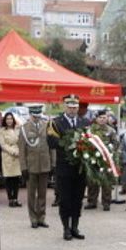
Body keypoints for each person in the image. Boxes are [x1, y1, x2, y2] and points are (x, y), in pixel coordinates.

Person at [47, 95, 91, 240]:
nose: (72, 110)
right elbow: (51, 142)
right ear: (65, 107)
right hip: (64, 168)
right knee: (65, 200)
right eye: (70, 107)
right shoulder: (56, 123)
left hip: (80, 168)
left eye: (75, 107)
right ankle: (66, 228)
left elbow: (90, 142)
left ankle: (75, 227)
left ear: (78, 108)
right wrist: (70, 146)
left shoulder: (84, 122)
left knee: (77, 199)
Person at [20, 111, 51, 229]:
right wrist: (23, 167)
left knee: (42, 193)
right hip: (31, 166)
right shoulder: (24, 128)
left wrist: (52, 163)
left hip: (44, 165)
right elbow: (22, 150)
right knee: (31, 195)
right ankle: (33, 218)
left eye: (38, 115)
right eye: (34, 116)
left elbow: (51, 146)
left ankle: (41, 218)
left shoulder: (46, 126)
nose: (37, 118)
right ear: (30, 115)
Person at [85, 110, 117, 210]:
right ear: (96, 119)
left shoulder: (111, 130)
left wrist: (112, 154)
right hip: (93, 159)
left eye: (104, 118)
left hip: (106, 159)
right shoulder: (91, 130)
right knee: (92, 181)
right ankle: (92, 201)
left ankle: (106, 202)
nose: (102, 120)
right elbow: (86, 142)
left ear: (107, 118)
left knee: (106, 182)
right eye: (100, 118)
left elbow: (116, 144)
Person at [0, 112, 23, 207]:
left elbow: (20, 141)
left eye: (11, 119)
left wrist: (17, 151)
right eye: (7, 119)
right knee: (9, 179)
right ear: (5, 120)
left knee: (16, 179)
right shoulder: (2, 130)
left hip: (17, 155)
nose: (9, 120)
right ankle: (10, 199)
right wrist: (12, 151)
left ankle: (15, 199)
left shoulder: (17, 129)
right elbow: (3, 145)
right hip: (8, 155)